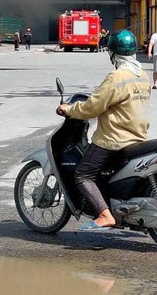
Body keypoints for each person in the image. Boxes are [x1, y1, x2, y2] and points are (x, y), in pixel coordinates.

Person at [56, 29, 151, 230]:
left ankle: (105, 215)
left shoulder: (117, 76)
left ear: (113, 54)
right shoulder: (142, 74)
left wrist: (70, 109)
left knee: (83, 175)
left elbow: (94, 106)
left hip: (114, 138)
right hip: (138, 136)